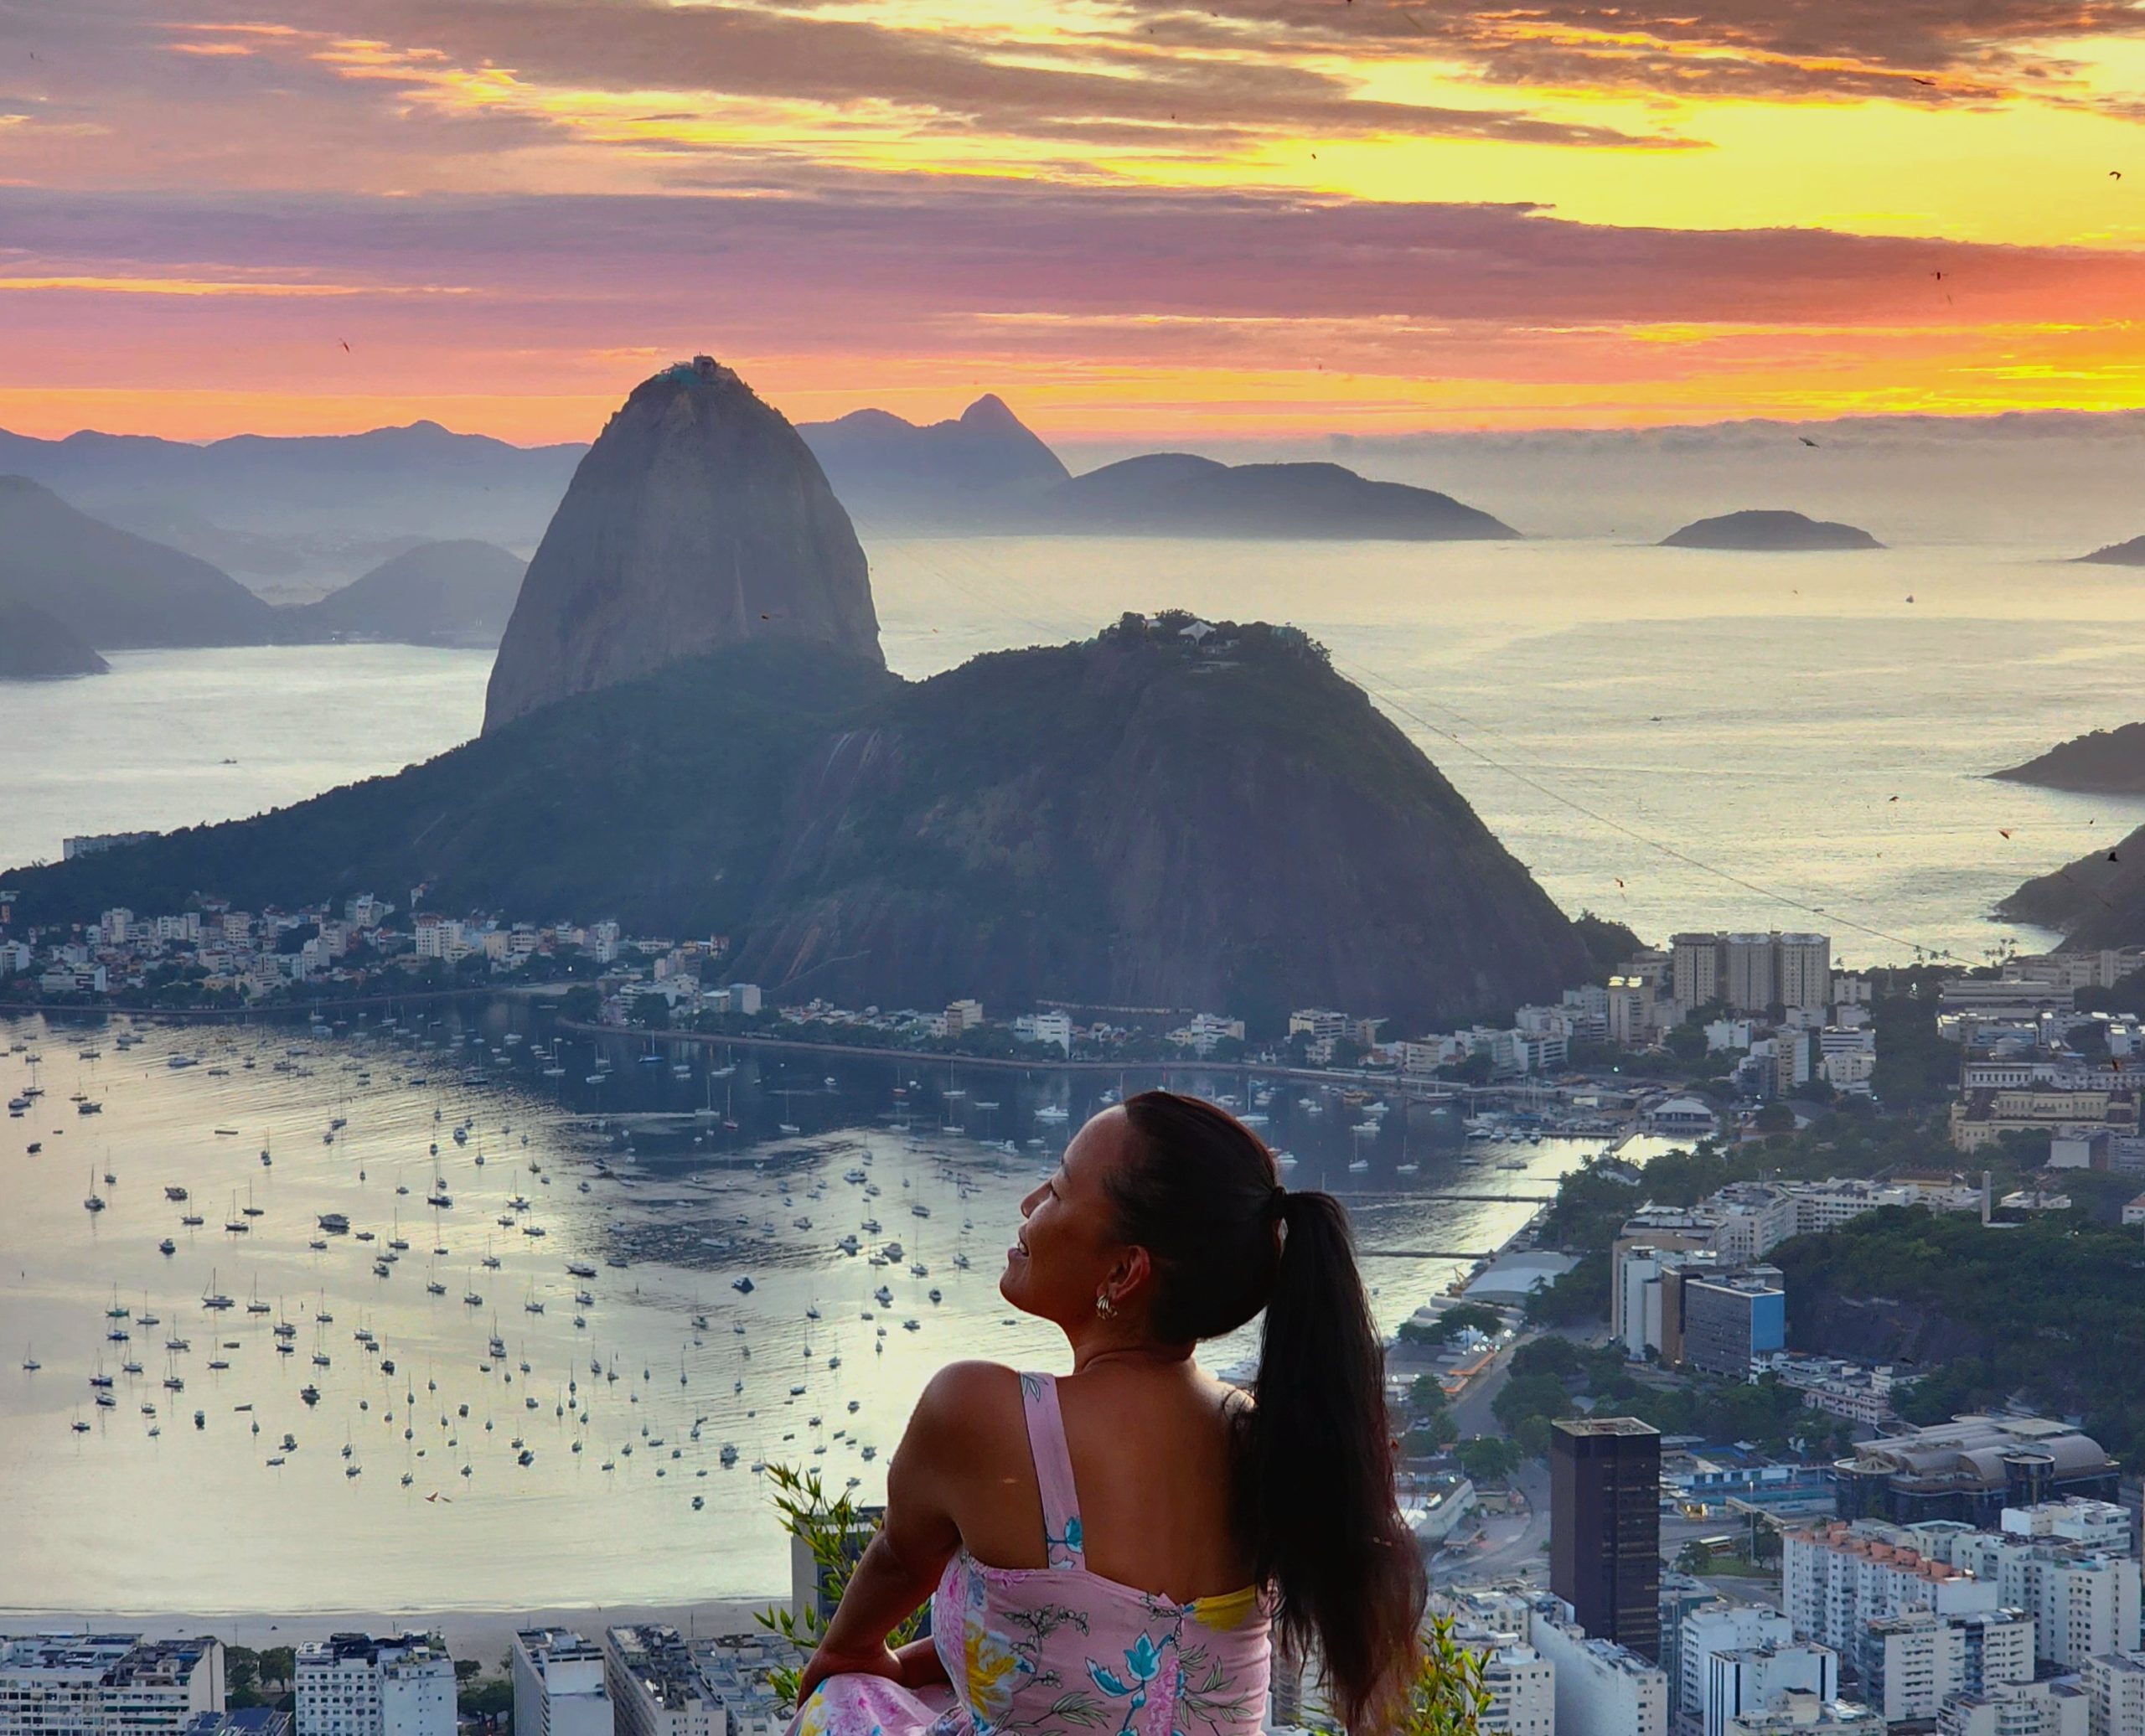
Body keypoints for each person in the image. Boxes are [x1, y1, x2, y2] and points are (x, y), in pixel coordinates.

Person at [791, 1089, 1423, 1736]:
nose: (1029, 1204)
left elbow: (902, 1560)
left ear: (1124, 1273)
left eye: (1059, 1191)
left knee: (841, 1703)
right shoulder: (1262, 1440)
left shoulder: (982, 1416)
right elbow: (1086, 1644)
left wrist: (852, 1653)